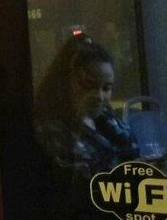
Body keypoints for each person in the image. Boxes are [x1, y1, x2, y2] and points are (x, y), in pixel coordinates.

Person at [34, 34, 139, 180]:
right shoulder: (50, 131)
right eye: (89, 86)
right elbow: (73, 185)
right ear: (65, 84)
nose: (99, 96)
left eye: (106, 88)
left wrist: (146, 170)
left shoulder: (110, 121)